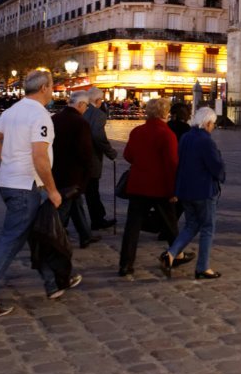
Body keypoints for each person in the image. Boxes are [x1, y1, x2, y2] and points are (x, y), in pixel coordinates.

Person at [0, 69, 77, 317]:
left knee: (34, 234)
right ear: (45, 88)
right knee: (9, 242)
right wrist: (52, 189)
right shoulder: (41, 116)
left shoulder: (12, 111)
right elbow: (39, 157)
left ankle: (56, 280)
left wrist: (9, 160)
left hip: (9, 182)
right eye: (52, 86)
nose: (53, 90)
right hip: (26, 185)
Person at [119, 98, 181, 278]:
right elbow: (172, 164)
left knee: (132, 227)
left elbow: (128, 155)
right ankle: (176, 255)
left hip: (138, 184)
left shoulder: (137, 131)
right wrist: (173, 191)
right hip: (160, 186)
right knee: (171, 224)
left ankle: (125, 264)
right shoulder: (167, 134)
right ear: (164, 113)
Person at [161, 107, 225, 279]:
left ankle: (171, 253)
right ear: (208, 123)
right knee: (207, 228)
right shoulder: (206, 141)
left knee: (191, 224)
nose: (213, 127)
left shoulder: (186, 137)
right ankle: (202, 267)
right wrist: (221, 172)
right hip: (203, 190)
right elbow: (215, 166)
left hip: (185, 189)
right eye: (213, 124)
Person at [52, 91, 97, 247]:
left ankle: (85, 235)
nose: (86, 109)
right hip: (73, 172)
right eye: (86, 106)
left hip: (56, 169)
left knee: (75, 203)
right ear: (80, 104)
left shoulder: (54, 119)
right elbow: (85, 151)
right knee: (64, 206)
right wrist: (88, 170)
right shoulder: (80, 123)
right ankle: (54, 238)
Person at [83, 90, 118, 230]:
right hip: (91, 158)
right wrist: (111, 152)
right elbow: (98, 136)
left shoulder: (82, 110)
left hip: (78, 157)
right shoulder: (98, 114)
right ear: (98, 100)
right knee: (92, 190)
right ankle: (97, 219)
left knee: (85, 191)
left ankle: (97, 217)